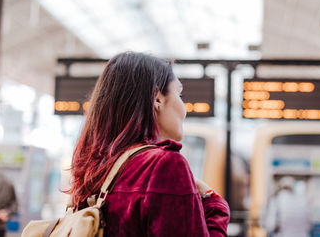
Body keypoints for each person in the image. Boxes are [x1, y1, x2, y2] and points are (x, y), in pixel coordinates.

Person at [68, 51, 230, 236]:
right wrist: (215, 205)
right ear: (157, 98)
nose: (184, 109)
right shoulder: (164, 165)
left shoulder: (94, 167)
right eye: (179, 93)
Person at [0, 171, 18, 237]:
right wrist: (7, 212)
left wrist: (6, 212)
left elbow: (14, 204)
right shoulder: (8, 181)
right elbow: (15, 204)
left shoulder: (7, 182)